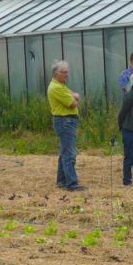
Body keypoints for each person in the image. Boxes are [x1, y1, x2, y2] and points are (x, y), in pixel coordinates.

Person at [47, 60, 86, 191]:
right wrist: (73, 96)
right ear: (56, 74)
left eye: (67, 72)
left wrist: (73, 95)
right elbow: (73, 103)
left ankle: (61, 181)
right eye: (64, 72)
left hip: (67, 121)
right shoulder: (56, 88)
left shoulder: (60, 85)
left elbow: (75, 96)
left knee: (64, 152)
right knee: (69, 153)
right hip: (65, 122)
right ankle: (71, 184)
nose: (67, 75)